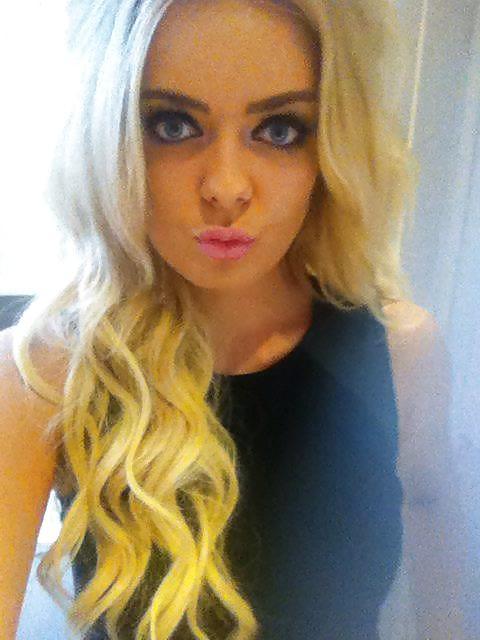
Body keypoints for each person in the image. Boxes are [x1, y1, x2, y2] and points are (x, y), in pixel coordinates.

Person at [0, 0, 470, 638]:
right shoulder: (42, 373)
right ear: (110, 138)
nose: (226, 186)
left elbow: (433, 507)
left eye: (279, 130)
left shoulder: (401, 354)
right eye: (172, 125)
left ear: (329, 146)